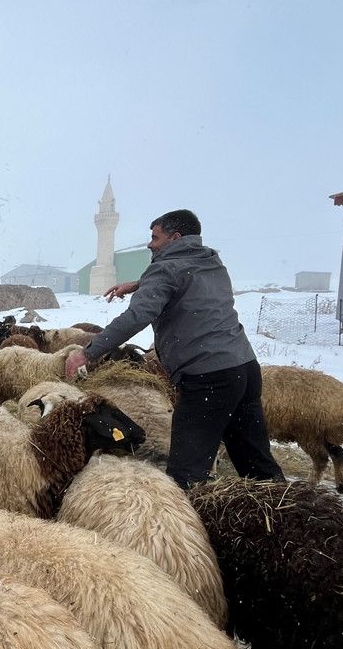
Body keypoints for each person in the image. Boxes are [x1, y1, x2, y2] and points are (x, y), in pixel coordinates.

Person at [65, 209, 284, 490]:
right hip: (244, 368)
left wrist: (88, 352)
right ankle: (284, 510)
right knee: (256, 461)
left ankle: (184, 515)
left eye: (155, 237)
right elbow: (184, 276)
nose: (150, 244)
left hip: (207, 377)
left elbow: (137, 317)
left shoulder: (165, 269)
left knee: (185, 474)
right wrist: (139, 284)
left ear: (176, 237)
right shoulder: (211, 260)